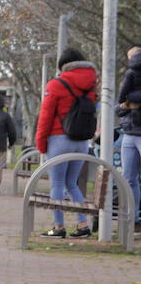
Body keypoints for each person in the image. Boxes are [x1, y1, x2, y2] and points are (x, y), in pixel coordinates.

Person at [35, 47, 98, 238]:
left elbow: (45, 116)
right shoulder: (92, 84)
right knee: (72, 184)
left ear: (63, 66)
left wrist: (40, 143)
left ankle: (59, 227)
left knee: (57, 184)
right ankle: (83, 224)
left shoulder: (56, 84)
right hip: (81, 142)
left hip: (59, 140)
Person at [116, 46, 141, 228]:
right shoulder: (130, 75)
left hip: (135, 132)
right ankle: (134, 216)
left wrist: (130, 101)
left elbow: (122, 98)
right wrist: (127, 105)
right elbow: (118, 107)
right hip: (128, 133)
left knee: (130, 179)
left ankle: (134, 216)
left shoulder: (130, 75)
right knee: (129, 178)